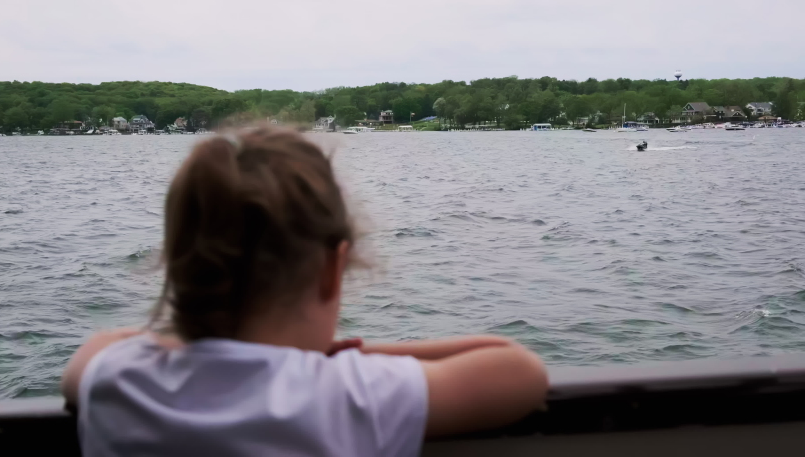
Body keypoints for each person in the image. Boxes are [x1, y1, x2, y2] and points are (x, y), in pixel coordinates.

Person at [61, 127, 548, 457]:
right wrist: (357, 354)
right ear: (332, 271)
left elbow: (99, 348)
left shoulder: (119, 379)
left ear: (176, 267)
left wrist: (189, 340)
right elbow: (518, 369)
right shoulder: (349, 392)